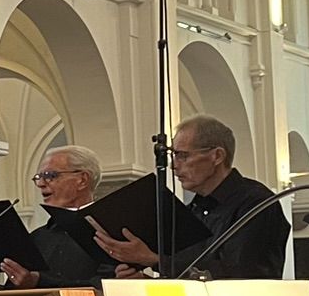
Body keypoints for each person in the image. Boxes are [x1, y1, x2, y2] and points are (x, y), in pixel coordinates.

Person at [95, 115, 289, 280]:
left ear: (217, 156)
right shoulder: (194, 207)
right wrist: (144, 280)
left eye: (182, 156)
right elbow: (189, 277)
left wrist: (153, 260)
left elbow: (242, 274)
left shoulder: (256, 202)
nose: (174, 165)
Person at [0, 145, 113, 289]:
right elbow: (11, 291)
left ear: (82, 180)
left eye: (50, 176)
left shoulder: (109, 232)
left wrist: (39, 282)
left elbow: (106, 288)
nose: (40, 184)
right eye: (38, 177)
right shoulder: (37, 238)